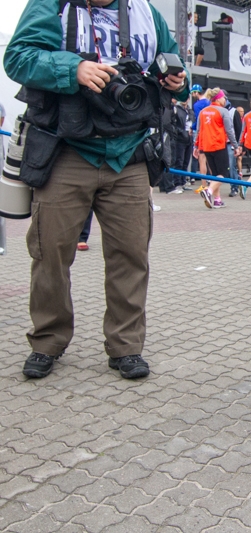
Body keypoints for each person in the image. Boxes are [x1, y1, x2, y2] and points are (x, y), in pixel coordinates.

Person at [5, 0, 189, 379]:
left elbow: (174, 67)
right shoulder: (51, 5)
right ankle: (47, 341)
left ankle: (126, 347)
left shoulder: (146, 12)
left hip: (131, 154)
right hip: (66, 150)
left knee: (131, 254)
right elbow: (18, 57)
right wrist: (74, 68)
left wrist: (179, 81)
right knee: (50, 253)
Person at [194, 88, 239, 209]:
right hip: (219, 145)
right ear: (218, 98)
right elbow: (229, 131)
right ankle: (208, 191)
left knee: (215, 175)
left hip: (206, 147)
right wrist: (236, 146)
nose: (225, 99)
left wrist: (196, 146)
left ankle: (218, 200)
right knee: (223, 174)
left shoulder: (203, 111)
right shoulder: (223, 111)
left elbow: (198, 130)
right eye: (224, 97)